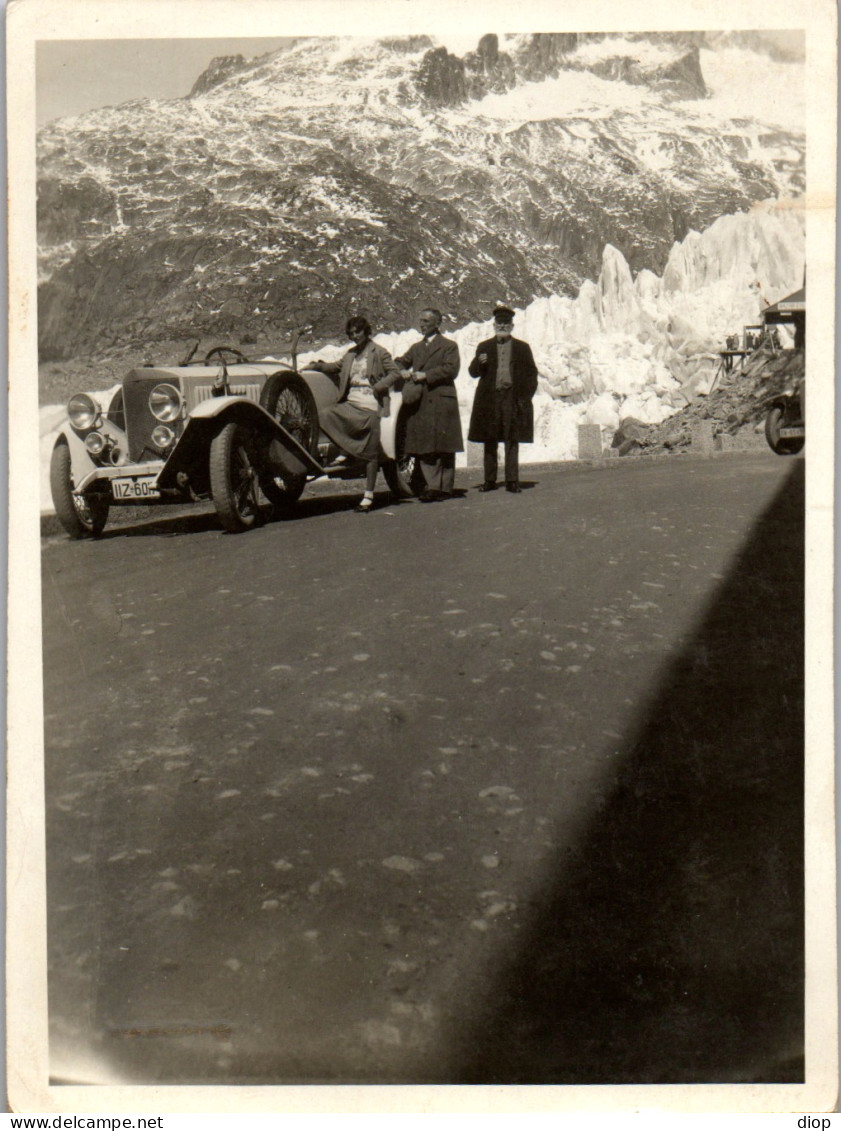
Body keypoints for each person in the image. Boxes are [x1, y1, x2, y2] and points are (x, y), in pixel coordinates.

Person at [308, 316, 401, 513]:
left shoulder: (379, 352)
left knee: (370, 451)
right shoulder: (350, 354)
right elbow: (335, 367)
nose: (354, 336)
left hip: (371, 404)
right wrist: (316, 366)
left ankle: (368, 496)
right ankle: (349, 452)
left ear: (366, 331)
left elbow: (395, 373)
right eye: (351, 333)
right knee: (324, 416)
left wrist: (379, 386)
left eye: (357, 332)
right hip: (351, 402)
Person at [394, 308, 463, 502]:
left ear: (437, 324)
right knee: (427, 445)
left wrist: (426, 375)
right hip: (423, 401)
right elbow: (400, 361)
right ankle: (433, 487)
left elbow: (451, 369)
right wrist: (401, 370)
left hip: (442, 400)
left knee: (444, 445)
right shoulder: (416, 348)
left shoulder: (449, 346)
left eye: (426, 321)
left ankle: (444, 488)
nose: (422, 324)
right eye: (421, 320)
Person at [467, 305, 538, 493]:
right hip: (489, 399)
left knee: (511, 438)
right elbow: (473, 372)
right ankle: (489, 480)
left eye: (506, 323)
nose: (503, 326)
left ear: (512, 326)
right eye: (500, 322)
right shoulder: (484, 347)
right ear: (494, 325)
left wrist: (525, 398)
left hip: (512, 398)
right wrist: (479, 363)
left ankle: (512, 480)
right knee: (489, 439)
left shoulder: (522, 348)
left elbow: (532, 374)